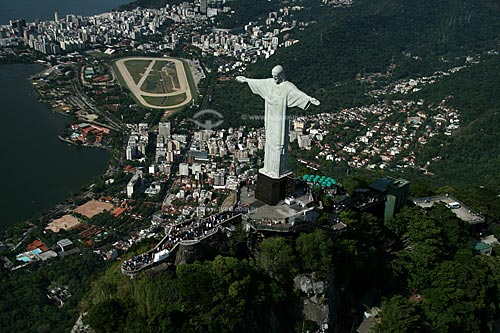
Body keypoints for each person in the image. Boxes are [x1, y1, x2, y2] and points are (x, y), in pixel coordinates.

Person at [236, 65, 320, 179]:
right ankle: (268, 168)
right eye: (273, 76)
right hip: (270, 118)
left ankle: (277, 171)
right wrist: (246, 80)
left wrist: (309, 99)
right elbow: (258, 83)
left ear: (281, 75)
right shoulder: (269, 83)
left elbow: (297, 93)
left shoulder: (287, 87)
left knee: (278, 144)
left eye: (276, 77)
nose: (274, 79)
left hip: (280, 121)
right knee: (269, 142)